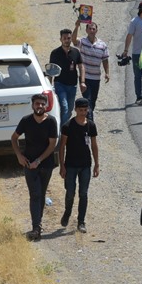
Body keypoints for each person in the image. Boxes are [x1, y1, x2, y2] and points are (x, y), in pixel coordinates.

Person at [11, 93, 59, 240]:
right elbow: (14, 138)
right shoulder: (26, 121)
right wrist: (19, 156)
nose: (40, 106)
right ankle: (36, 227)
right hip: (28, 164)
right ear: (32, 105)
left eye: (42, 104)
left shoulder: (51, 121)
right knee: (35, 194)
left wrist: (38, 160)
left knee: (41, 193)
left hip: (46, 164)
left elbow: (52, 145)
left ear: (46, 106)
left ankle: (38, 224)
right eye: (37, 103)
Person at [57, 97, 98, 233]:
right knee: (70, 193)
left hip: (85, 165)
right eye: (80, 110)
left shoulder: (91, 125)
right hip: (71, 165)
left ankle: (81, 221)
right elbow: (62, 146)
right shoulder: (67, 126)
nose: (83, 113)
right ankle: (67, 212)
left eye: (85, 110)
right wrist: (62, 165)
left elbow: (94, 145)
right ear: (75, 110)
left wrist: (97, 164)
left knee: (83, 193)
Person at [49, 27, 83, 126]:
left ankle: (62, 126)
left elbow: (81, 67)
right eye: (64, 38)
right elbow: (51, 70)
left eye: (68, 38)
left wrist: (82, 82)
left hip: (72, 85)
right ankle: (62, 131)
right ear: (60, 39)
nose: (67, 40)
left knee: (70, 109)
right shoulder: (55, 53)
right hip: (60, 84)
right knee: (64, 107)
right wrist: (50, 85)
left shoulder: (76, 52)